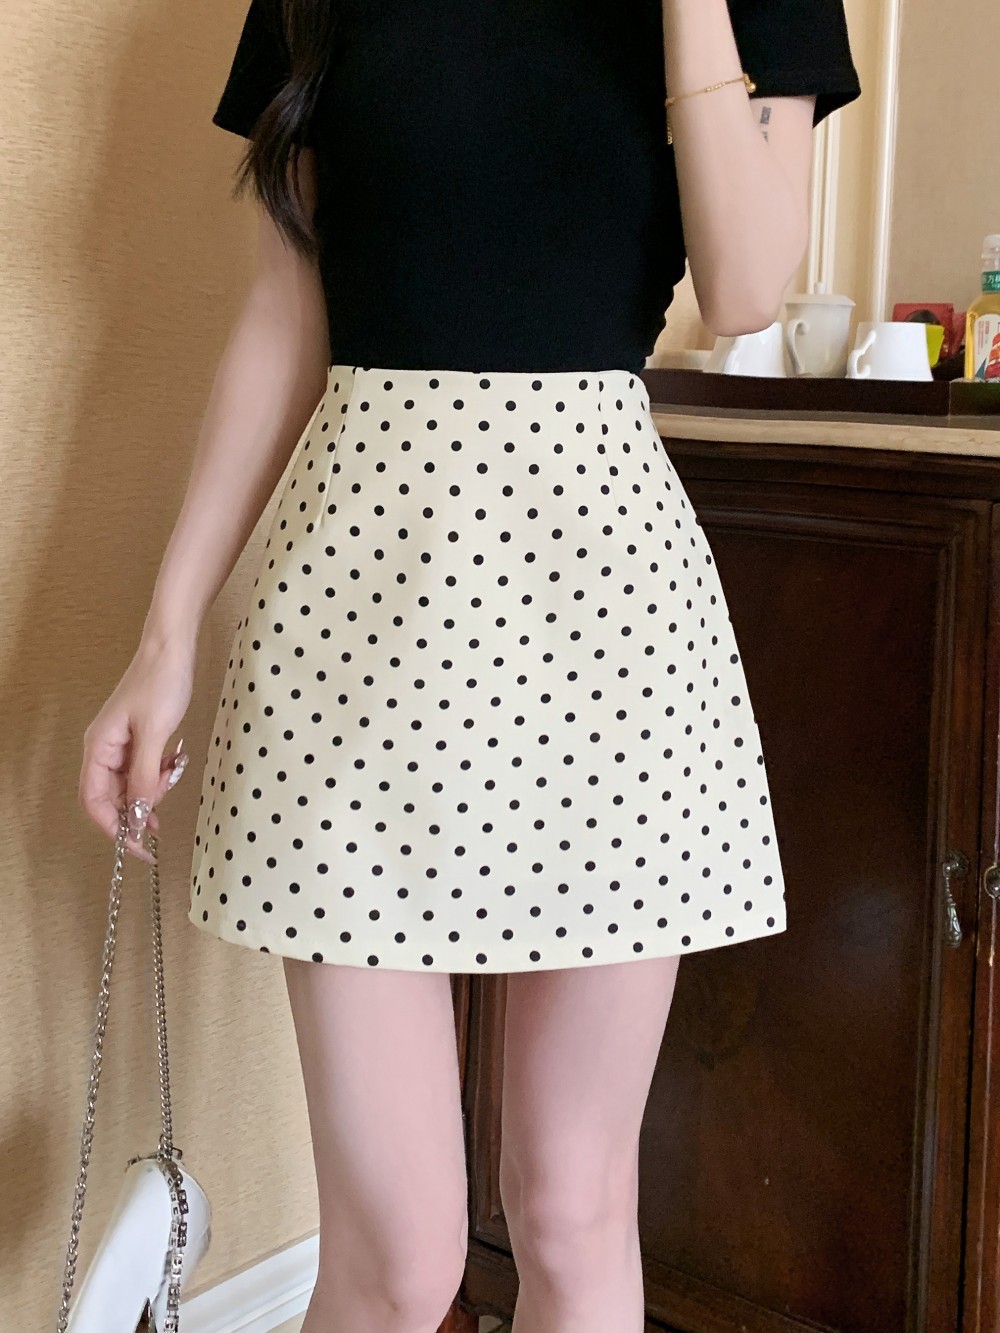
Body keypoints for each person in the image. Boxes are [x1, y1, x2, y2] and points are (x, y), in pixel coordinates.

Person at [79, 2, 861, 1328]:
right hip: (351, 616)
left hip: (608, 626)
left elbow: (743, 290)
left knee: (569, 1210)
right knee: (398, 1260)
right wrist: (167, 634)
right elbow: (287, 307)